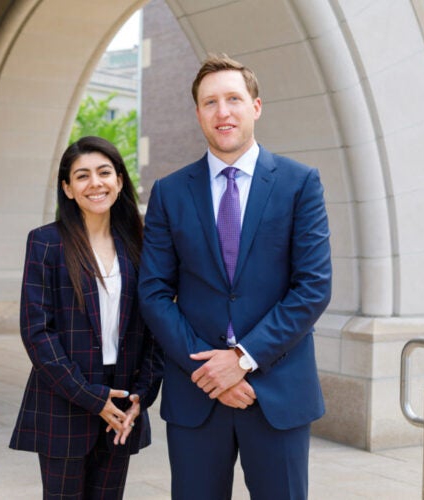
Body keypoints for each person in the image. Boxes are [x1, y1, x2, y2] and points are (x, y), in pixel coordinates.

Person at [138, 54, 332, 499]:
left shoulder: (299, 184)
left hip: (277, 392)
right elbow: (152, 292)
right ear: (198, 114)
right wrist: (208, 372)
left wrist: (242, 359)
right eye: (210, 102)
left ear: (255, 107)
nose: (222, 112)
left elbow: (313, 287)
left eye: (233, 99)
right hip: (196, 394)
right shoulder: (169, 192)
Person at [10, 136, 163, 499]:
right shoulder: (46, 242)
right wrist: (92, 398)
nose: (95, 183)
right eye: (82, 176)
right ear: (67, 187)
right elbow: (37, 333)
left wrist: (143, 394)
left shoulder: (142, 244)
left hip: (124, 398)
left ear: (120, 180)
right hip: (65, 397)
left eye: (104, 172)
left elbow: (157, 324)